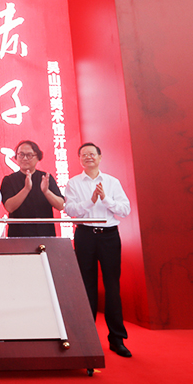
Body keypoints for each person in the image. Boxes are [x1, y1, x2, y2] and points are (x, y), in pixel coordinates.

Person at [64, 142, 133, 358]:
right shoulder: (73, 183)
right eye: (84, 155)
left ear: (100, 157)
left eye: (92, 154)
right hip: (85, 235)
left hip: (109, 236)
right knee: (86, 286)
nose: (88, 157)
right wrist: (91, 201)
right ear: (79, 159)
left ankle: (117, 339)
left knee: (112, 286)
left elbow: (125, 210)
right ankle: (87, 337)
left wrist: (105, 199)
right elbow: (70, 210)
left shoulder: (112, 182)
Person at [0, 140, 65, 237]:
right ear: (16, 157)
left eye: (29, 155)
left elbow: (60, 205)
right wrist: (26, 189)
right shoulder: (9, 180)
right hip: (18, 234)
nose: (25, 158)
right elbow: (9, 207)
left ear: (38, 157)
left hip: (45, 233)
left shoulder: (45, 177)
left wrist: (46, 191)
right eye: (21, 154)